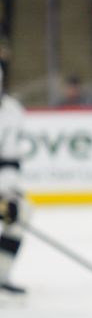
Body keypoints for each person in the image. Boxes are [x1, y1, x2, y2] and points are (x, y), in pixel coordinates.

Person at [0, 64, 30, 297]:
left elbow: (10, 159)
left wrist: (8, 193)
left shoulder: (11, 111)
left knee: (21, 211)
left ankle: (1, 274)